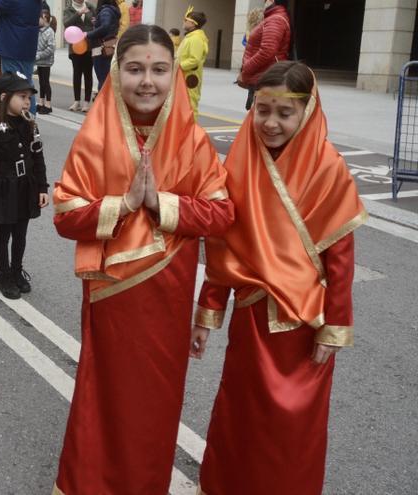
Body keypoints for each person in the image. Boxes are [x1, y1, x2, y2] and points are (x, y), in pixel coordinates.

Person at [51, 24, 234, 494]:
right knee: (105, 395)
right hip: (112, 294)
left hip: (169, 298)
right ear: (115, 72)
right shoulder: (95, 137)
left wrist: (162, 203)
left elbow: (220, 214)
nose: (147, 81)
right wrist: (126, 203)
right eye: (135, 69)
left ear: (175, 75)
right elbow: (67, 216)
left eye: (159, 69)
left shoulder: (191, 140)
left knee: (156, 402)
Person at [193, 61, 367, 495]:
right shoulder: (239, 162)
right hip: (251, 319)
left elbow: (340, 259)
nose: (270, 123)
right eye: (262, 110)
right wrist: (208, 310)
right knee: (240, 415)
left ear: (307, 112)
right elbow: (223, 245)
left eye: (284, 113)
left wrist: (334, 326)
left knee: (294, 431)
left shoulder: (329, 170)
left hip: (304, 326)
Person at [0, 72, 49, 299]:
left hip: (26, 186)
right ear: (4, 98)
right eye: (22, 96)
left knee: (21, 233)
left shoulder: (30, 125)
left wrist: (42, 188)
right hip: (4, 187)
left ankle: (17, 270)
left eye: (29, 97)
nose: (27, 101)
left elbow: (38, 158)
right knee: (4, 232)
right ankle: (5, 275)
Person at [0, 0, 42, 114]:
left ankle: (16, 120)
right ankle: (30, 120)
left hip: (12, 48)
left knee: (12, 86)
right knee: (27, 84)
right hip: (28, 48)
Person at [239, 0, 290, 110]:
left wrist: (246, 68)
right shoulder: (273, 18)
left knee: (259, 117)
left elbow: (267, 51)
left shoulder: (275, 19)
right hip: (262, 76)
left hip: (264, 77)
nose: (264, 2)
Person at [64, 0, 95, 113]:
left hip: (88, 45)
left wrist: (95, 21)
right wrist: (78, 14)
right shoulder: (68, 9)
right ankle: (76, 101)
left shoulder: (90, 7)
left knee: (88, 74)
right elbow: (66, 24)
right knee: (77, 73)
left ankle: (86, 102)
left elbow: (96, 22)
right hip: (75, 47)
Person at [178, 7, 208, 119]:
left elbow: (194, 60)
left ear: (192, 23)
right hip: (184, 76)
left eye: (186, 20)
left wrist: (177, 66)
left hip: (190, 78)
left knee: (190, 105)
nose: (184, 22)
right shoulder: (191, 37)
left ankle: (192, 132)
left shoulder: (196, 39)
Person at [85, 0, 120, 92]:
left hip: (101, 47)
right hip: (109, 46)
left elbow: (105, 27)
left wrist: (88, 34)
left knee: (103, 79)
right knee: (107, 78)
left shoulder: (105, 11)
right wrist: (97, 22)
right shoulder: (112, 10)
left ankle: (103, 104)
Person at [35, 10, 55, 115]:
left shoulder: (50, 31)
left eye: (39, 18)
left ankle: (48, 104)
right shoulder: (39, 30)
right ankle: (41, 102)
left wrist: (39, 55)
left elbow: (51, 48)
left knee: (46, 82)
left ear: (44, 18)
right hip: (39, 61)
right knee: (41, 82)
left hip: (46, 61)